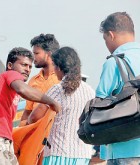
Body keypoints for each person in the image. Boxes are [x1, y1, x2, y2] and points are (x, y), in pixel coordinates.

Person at [0, 47, 61, 165]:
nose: (27, 69)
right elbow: (23, 89)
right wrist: (51, 102)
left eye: (30, 67)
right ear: (10, 65)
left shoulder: (3, 84)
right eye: (23, 65)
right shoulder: (10, 75)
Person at [27, 47, 94, 165]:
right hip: (83, 154)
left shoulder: (58, 90)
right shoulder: (90, 91)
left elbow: (33, 118)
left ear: (58, 67)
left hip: (58, 152)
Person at [96, 12, 140, 164]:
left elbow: (99, 105)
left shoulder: (115, 62)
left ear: (111, 35)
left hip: (123, 149)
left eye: (105, 39)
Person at [20, 34, 60, 125]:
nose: (33, 57)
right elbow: (28, 111)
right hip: (35, 134)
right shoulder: (33, 81)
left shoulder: (61, 79)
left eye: (36, 53)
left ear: (49, 54)